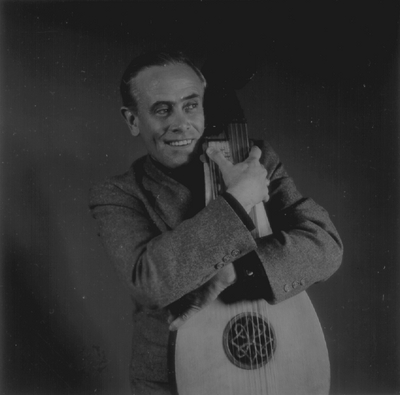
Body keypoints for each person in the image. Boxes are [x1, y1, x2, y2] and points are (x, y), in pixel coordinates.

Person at [89, 51, 343, 394]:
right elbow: (150, 282)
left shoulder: (256, 159)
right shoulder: (119, 194)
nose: (182, 123)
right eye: (163, 110)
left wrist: (236, 272)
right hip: (176, 378)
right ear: (133, 120)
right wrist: (238, 199)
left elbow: (325, 245)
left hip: (281, 359)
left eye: (191, 105)